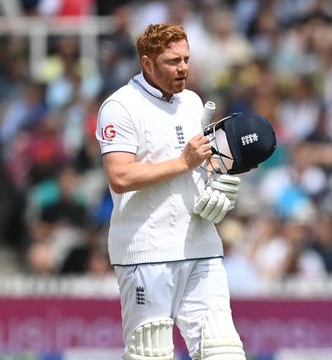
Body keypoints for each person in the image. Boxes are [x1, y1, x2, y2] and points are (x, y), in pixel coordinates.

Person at [96, 23, 245, 360]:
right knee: (151, 353)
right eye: (172, 61)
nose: (183, 68)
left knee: (224, 351)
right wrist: (183, 162)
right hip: (146, 249)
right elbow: (120, 176)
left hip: (201, 244)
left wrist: (217, 188)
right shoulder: (120, 106)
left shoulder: (192, 102)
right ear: (147, 63)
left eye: (186, 59)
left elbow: (202, 164)